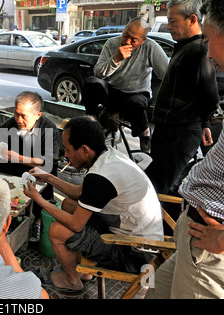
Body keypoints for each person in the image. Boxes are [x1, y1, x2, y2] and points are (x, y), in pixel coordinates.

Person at [23, 116, 164, 291]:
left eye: (67, 149)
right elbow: (80, 193)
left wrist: (38, 199)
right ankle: (83, 272)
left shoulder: (100, 177)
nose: (65, 155)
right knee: (68, 204)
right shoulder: (109, 156)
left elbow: (75, 224)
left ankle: (72, 281)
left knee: (57, 230)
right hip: (133, 233)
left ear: (84, 150)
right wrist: (48, 177)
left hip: (136, 254)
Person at [145, 0, 224, 299]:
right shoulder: (187, 48)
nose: (207, 43)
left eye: (211, 33)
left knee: (162, 180)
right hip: (193, 236)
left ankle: (154, 237)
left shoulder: (196, 50)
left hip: (208, 246)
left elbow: (206, 90)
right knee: (152, 293)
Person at [145, 0, 219, 197]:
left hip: (180, 132)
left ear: (192, 19)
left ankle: (165, 228)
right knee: (161, 184)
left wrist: (205, 122)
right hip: (168, 130)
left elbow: (209, 95)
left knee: (163, 189)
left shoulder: (198, 50)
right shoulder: (184, 46)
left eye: (172, 21)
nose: (169, 27)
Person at [0, 91, 59, 242]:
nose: (18, 119)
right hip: (15, 170)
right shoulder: (12, 123)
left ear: (38, 115)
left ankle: (37, 220)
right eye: (16, 114)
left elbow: (49, 160)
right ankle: (6, 218)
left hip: (37, 172)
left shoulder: (48, 129)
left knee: (47, 176)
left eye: (24, 116)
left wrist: (19, 158)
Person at [83, 17, 169, 152]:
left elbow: (166, 74)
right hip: (114, 90)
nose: (127, 41)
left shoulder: (150, 47)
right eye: (125, 35)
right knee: (91, 82)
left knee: (135, 103)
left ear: (142, 40)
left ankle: (145, 132)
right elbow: (98, 73)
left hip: (138, 93)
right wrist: (116, 59)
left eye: (133, 40)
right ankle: (92, 122)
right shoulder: (112, 43)